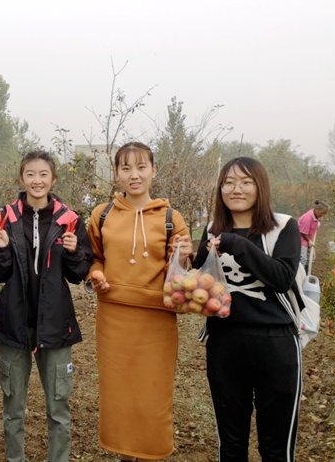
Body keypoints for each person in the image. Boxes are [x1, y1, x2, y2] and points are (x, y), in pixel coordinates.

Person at [86, 142, 192, 462]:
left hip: (156, 323)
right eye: (126, 168)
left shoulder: (172, 218)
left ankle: (149, 454)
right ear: (116, 174)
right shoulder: (101, 215)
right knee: (118, 396)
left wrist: (184, 259)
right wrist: (97, 275)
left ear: (153, 171)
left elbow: (179, 277)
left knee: (152, 395)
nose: (134, 175)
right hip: (113, 319)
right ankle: (124, 455)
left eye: (141, 167)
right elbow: (94, 259)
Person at [194, 157, 302, 462]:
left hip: (276, 344)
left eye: (245, 182)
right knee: (230, 445)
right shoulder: (212, 228)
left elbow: (281, 278)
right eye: (228, 182)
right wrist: (190, 263)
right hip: (225, 344)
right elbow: (205, 284)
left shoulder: (283, 226)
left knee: (275, 448)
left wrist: (234, 243)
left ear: (260, 187)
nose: (235, 189)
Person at [0, 150, 93, 462]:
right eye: (30, 173)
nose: (37, 180)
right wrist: (3, 248)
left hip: (56, 324)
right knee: (13, 407)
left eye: (43, 174)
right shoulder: (5, 217)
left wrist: (74, 253)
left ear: (53, 179)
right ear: (21, 178)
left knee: (59, 407)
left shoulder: (69, 220)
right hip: (14, 323)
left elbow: (78, 275)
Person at [298, 199, 329, 271]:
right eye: (322, 213)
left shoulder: (316, 215)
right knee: (303, 260)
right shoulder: (307, 218)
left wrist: (316, 224)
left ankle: (306, 272)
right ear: (317, 210)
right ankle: (300, 276)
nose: (323, 215)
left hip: (308, 239)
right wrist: (309, 241)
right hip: (302, 241)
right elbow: (302, 232)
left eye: (325, 214)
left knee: (311, 257)